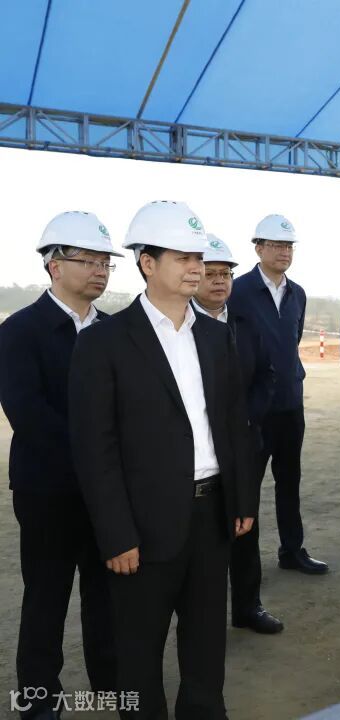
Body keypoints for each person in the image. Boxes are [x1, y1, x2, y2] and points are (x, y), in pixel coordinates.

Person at [68, 201, 256, 719]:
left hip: (211, 515)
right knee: (137, 651)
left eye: (199, 257)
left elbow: (233, 426)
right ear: (147, 263)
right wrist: (116, 534)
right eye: (182, 257)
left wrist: (241, 500)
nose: (196, 267)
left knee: (206, 646)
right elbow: (95, 448)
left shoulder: (216, 337)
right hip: (142, 525)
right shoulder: (104, 342)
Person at [0, 212, 120, 720]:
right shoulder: (20, 331)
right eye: (87, 261)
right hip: (48, 491)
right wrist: (95, 460)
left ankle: (110, 685)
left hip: (106, 494)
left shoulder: (114, 332)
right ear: (54, 265)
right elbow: (28, 413)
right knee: (46, 596)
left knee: (106, 594)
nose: (99, 271)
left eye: (105, 263)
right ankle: (38, 698)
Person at [192, 235, 281, 634]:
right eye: (210, 274)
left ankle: (248, 606)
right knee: (201, 535)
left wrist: (245, 420)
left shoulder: (246, 324)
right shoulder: (180, 326)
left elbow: (266, 376)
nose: (219, 281)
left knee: (245, 524)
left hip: (243, 443)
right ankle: (201, 616)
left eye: (225, 274)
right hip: (198, 451)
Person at [230, 215, 328, 575]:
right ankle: (245, 566)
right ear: (258, 248)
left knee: (290, 481)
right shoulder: (237, 291)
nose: (284, 252)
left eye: (289, 246)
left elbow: (292, 341)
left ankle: (292, 551)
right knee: (247, 489)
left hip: (289, 403)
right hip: (254, 409)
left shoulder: (297, 294)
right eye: (276, 245)